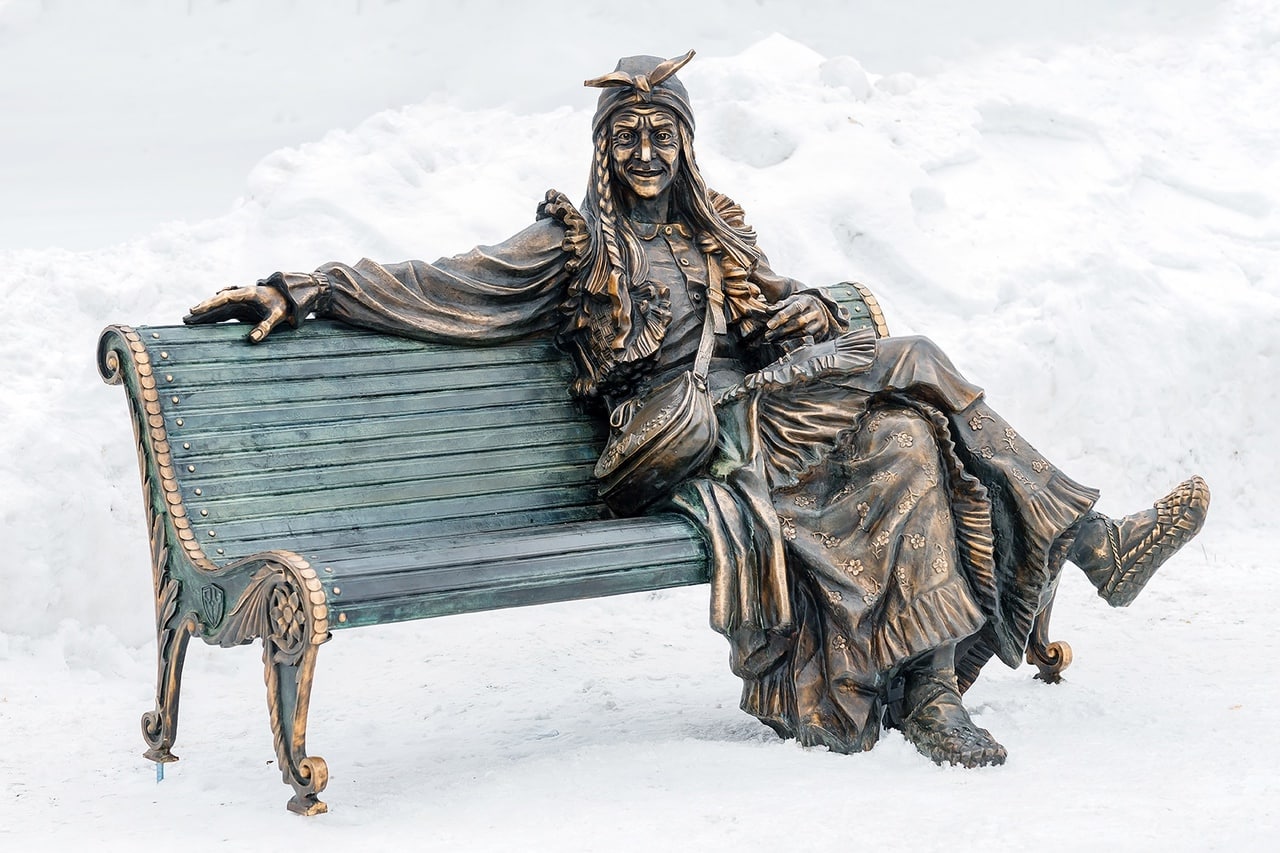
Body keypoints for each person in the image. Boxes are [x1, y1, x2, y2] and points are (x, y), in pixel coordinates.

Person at [186, 51, 1209, 768]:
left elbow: (768, 325)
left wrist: (805, 312)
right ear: (603, 150)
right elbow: (441, 284)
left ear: (685, 146)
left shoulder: (712, 237)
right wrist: (305, 288)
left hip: (745, 426)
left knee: (908, 437)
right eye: (626, 137)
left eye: (660, 136)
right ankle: (1088, 539)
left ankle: (933, 695)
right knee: (915, 358)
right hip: (667, 449)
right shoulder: (572, 246)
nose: (644, 154)